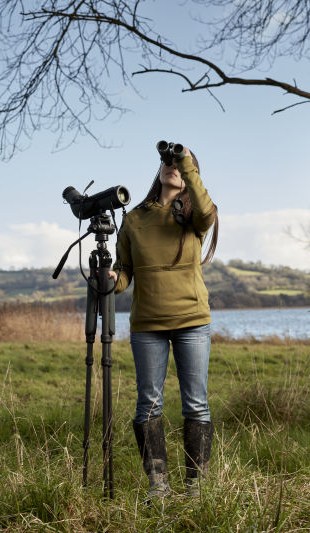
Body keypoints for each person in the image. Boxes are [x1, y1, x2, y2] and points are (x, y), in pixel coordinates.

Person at [108, 142, 218, 499]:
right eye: (166, 162)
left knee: (196, 404)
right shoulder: (134, 219)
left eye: (178, 165)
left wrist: (186, 161)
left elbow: (207, 211)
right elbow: (125, 272)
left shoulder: (194, 215)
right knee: (148, 404)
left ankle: (196, 488)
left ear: (189, 175)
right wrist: (111, 281)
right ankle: (159, 488)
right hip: (147, 325)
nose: (171, 166)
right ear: (157, 171)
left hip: (192, 320)